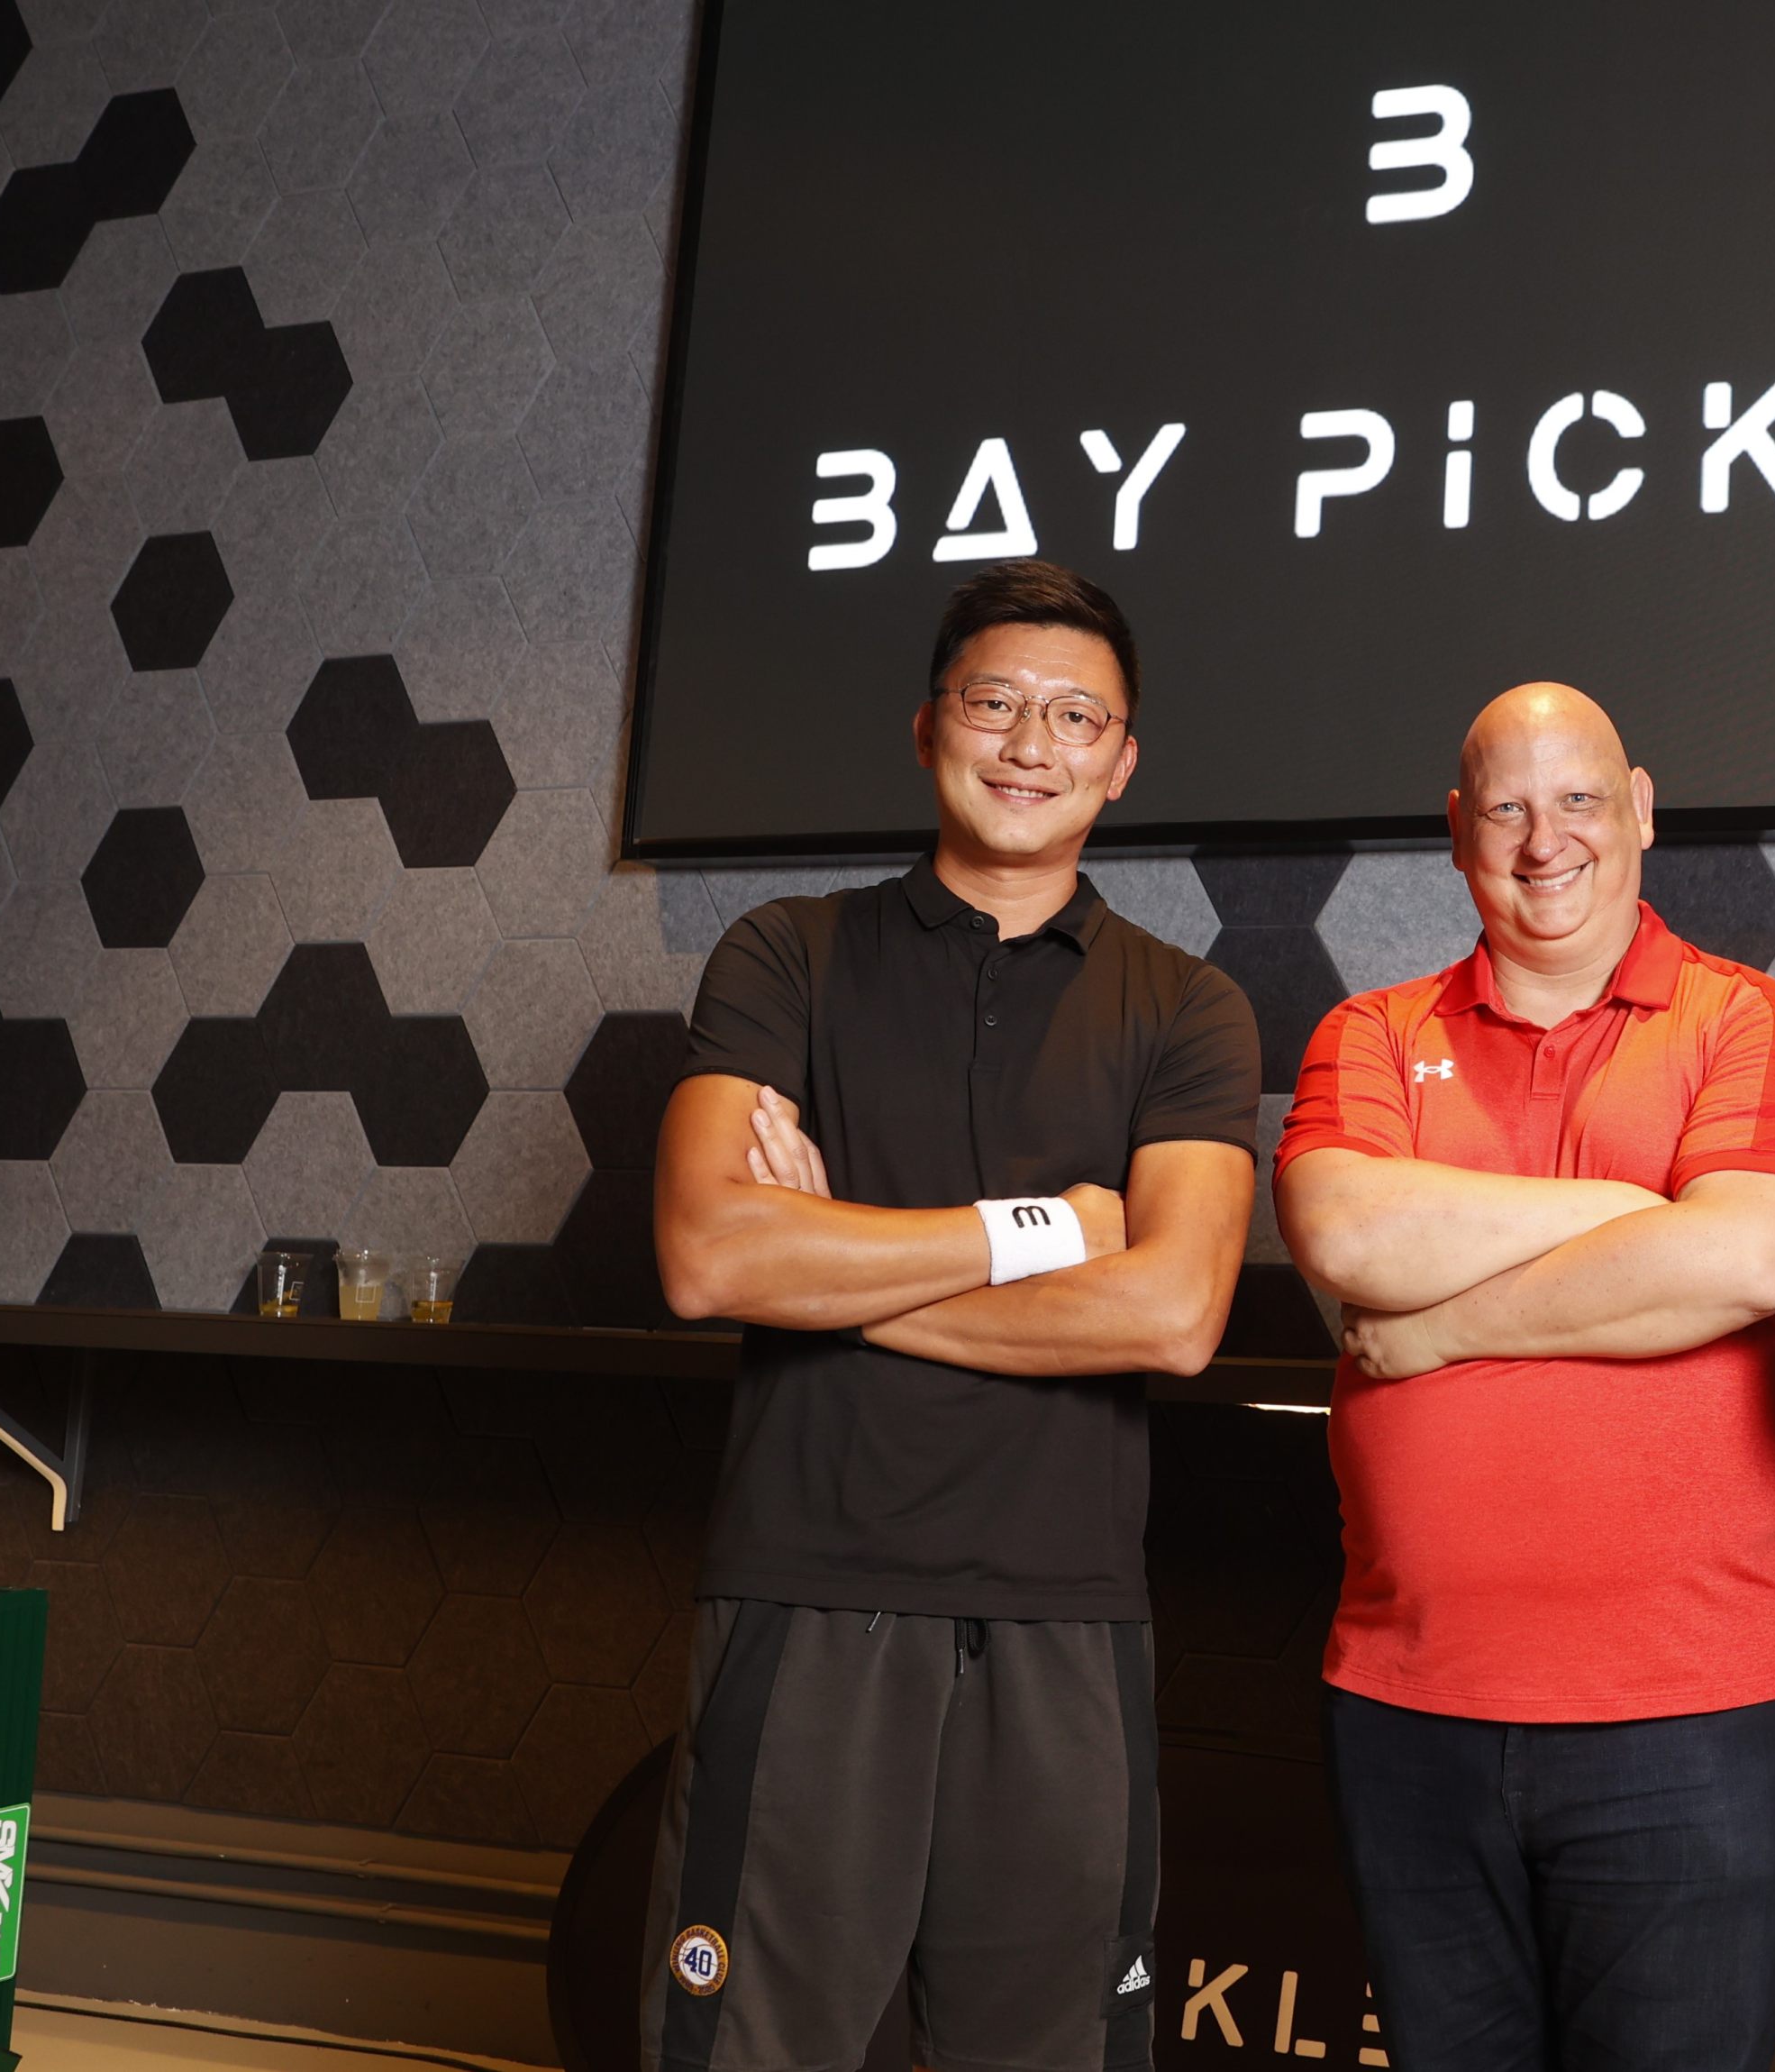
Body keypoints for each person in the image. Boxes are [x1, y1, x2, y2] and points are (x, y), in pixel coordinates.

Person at [642, 560, 1262, 2072]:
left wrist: (835, 1272)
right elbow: (713, 1259)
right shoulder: (789, 953)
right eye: (994, 703)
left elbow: (1175, 1311)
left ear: (1123, 762)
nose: (1029, 744)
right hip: (806, 1595)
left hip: (1064, 1623)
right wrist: (1044, 1232)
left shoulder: (1186, 1007)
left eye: (1075, 717)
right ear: (928, 726)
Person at [1272, 683, 1775, 2072]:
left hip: (1686, 1709)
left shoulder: (1748, 1018)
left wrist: (1447, 1322)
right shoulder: (1368, 1031)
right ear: (1458, 832)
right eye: (1508, 808)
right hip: (1411, 1706)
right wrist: (1638, 1211)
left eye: (1579, 800)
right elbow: (1346, 1233)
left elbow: (1746, 1265)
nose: (1547, 841)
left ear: (1639, 809)